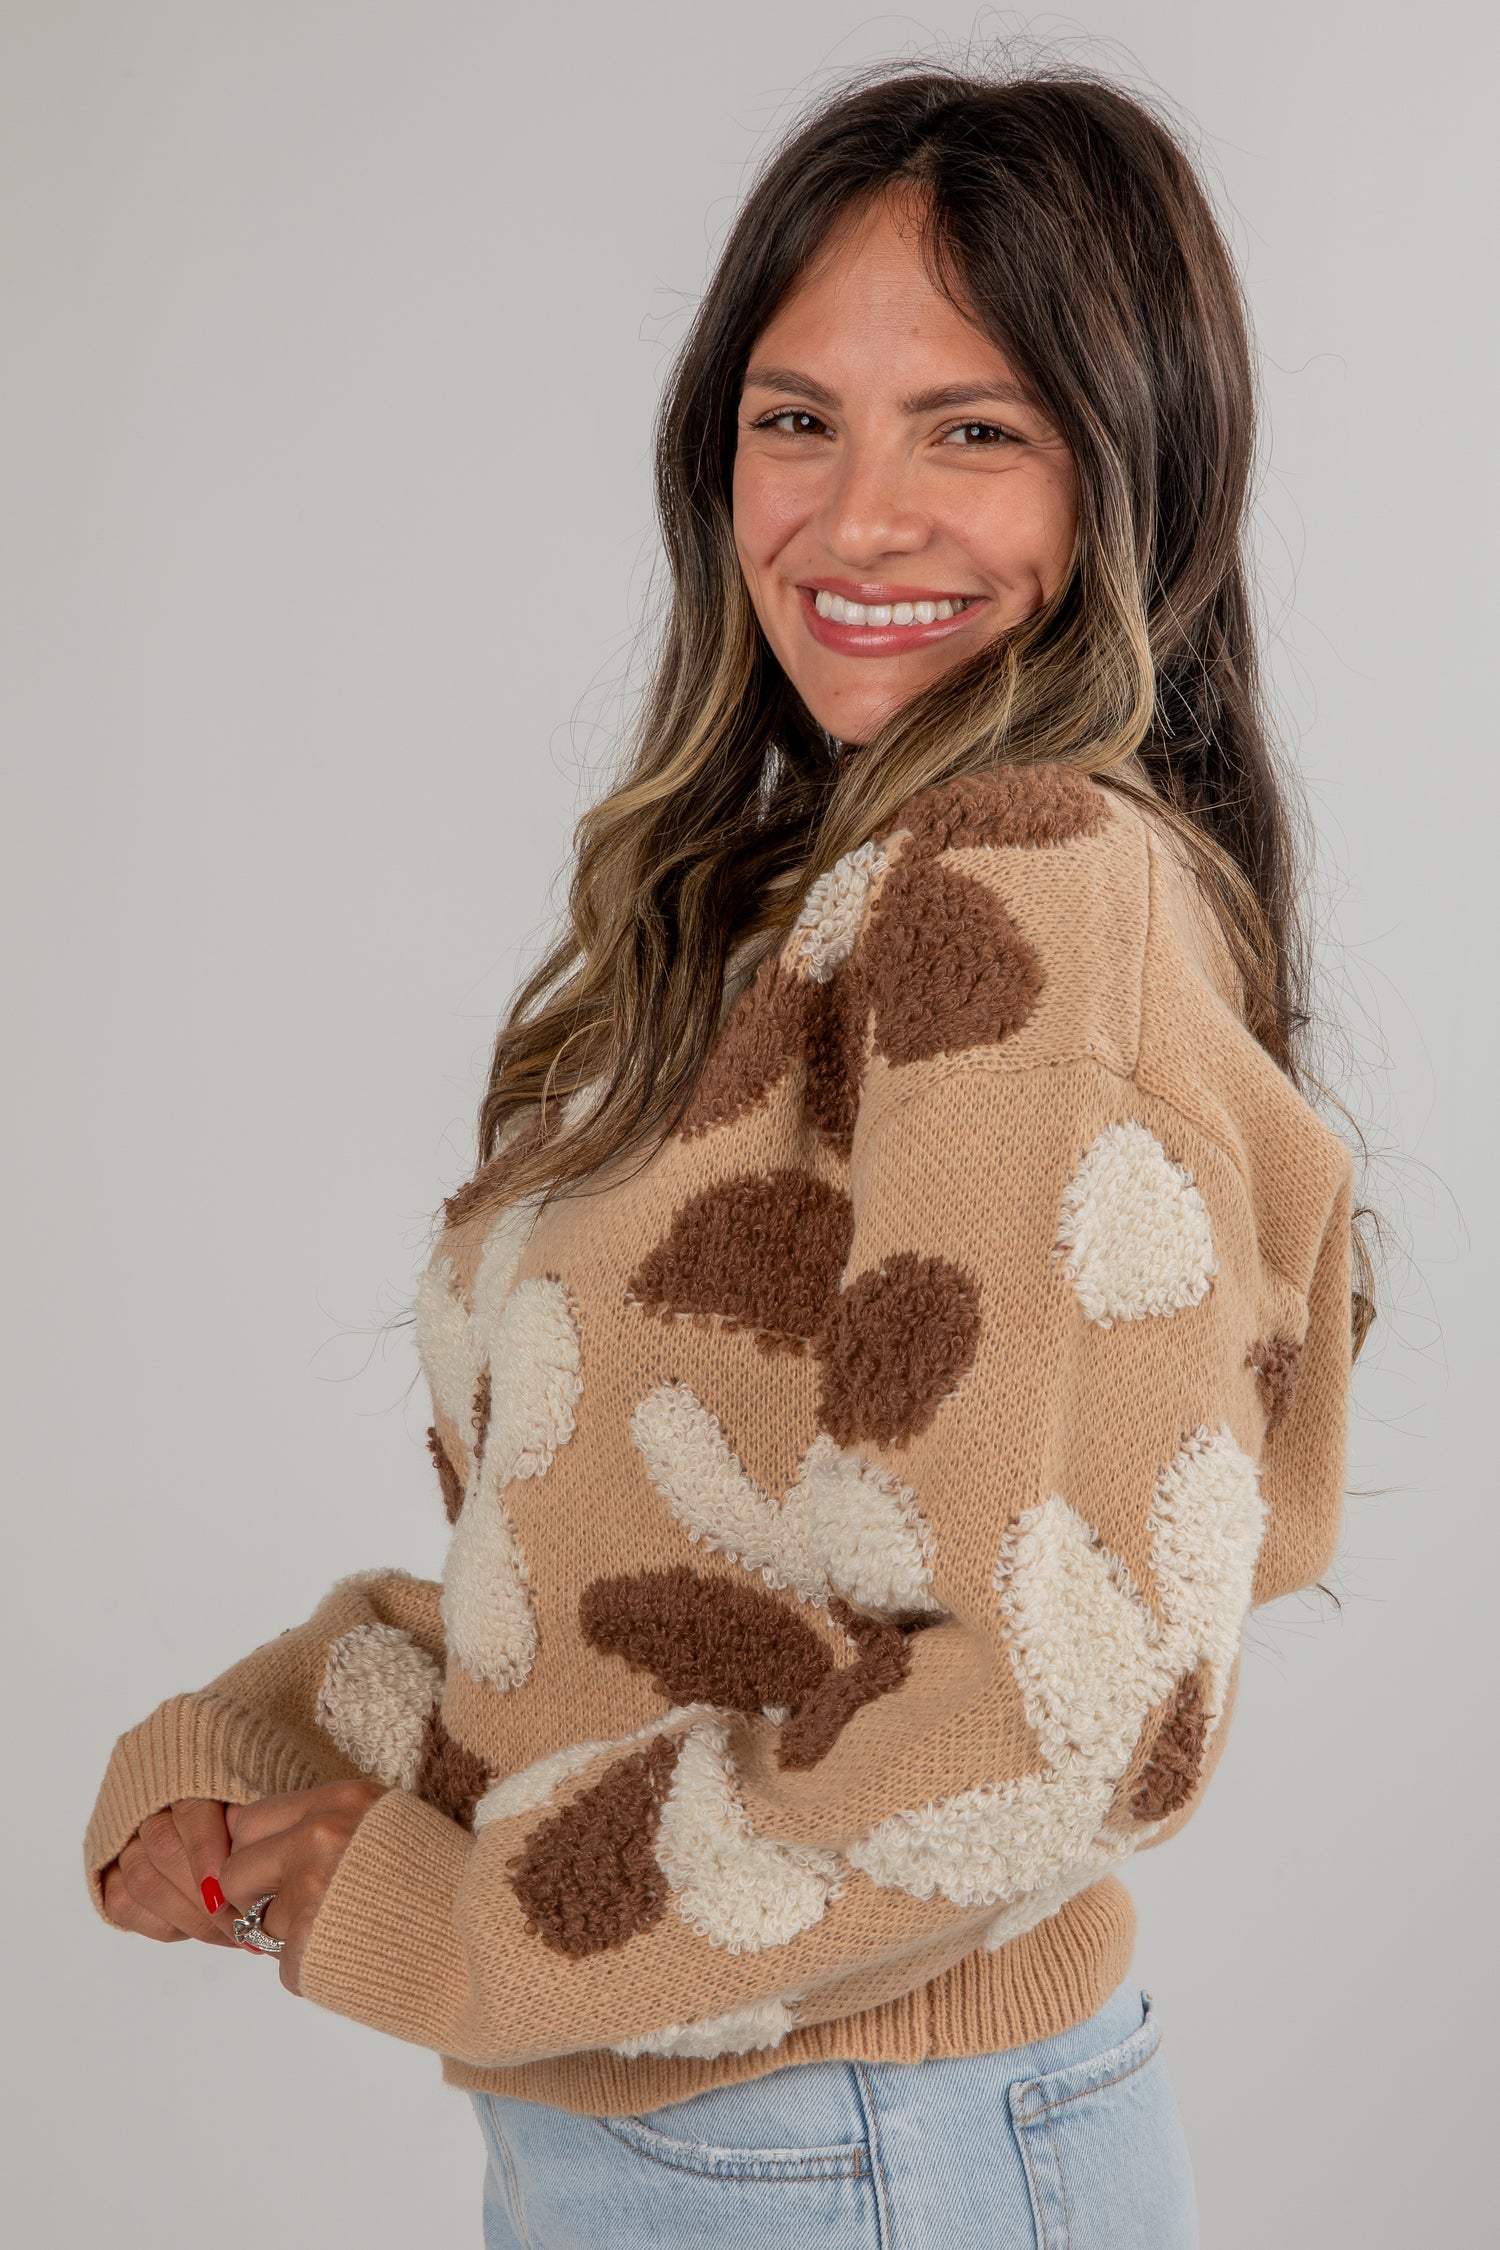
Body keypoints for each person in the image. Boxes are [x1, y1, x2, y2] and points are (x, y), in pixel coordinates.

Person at [85, 64, 1362, 2250]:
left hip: (858, 2145)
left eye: (975, 429)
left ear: (1129, 467)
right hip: (741, 2141)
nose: (859, 519)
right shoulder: (817, 898)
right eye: (797, 419)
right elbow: (658, 1582)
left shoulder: (1022, 890)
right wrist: (272, 1739)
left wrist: (450, 1917)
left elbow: (1040, 1715)